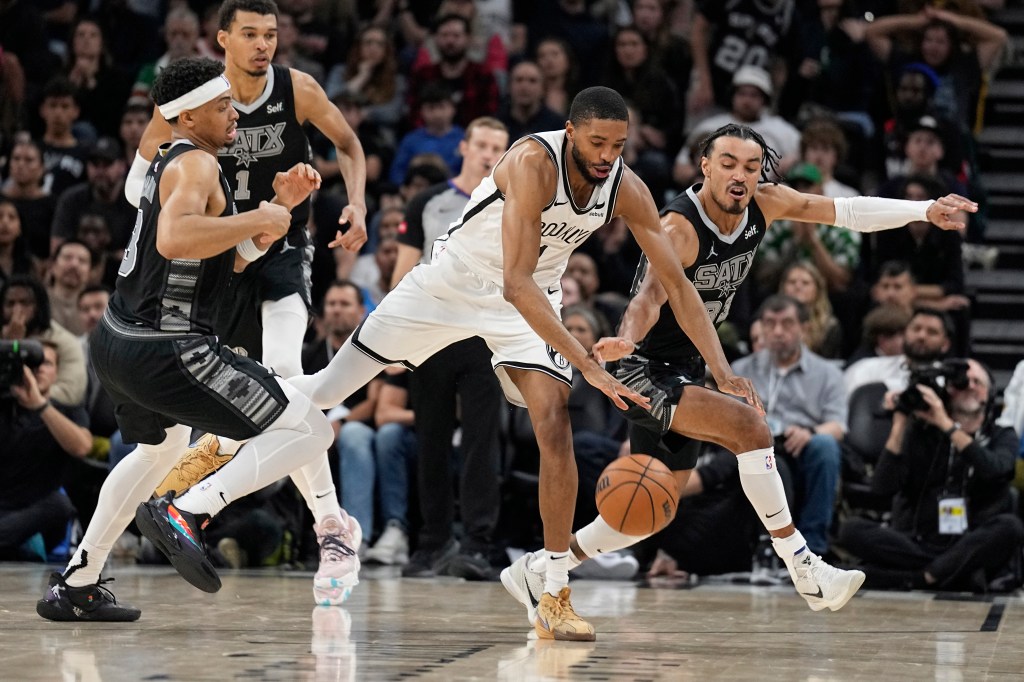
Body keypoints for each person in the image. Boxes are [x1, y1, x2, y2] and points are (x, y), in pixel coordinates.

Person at [290, 87, 755, 641]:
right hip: (453, 283)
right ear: (570, 131)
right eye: (598, 142)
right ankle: (231, 434)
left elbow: (678, 286)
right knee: (324, 393)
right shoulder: (534, 160)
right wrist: (589, 363)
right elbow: (514, 281)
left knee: (554, 420)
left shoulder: (627, 188)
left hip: (532, 299)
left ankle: (552, 584)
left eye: (619, 144)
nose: (608, 154)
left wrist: (723, 371)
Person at [500, 122, 976, 629]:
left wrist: (923, 210)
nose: (740, 175)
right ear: (705, 166)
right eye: (727, 163)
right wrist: (629, 341)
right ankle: (804, 566)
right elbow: (648, 297)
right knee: (751, 428)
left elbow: (844, 212)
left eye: (750, 167)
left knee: (651, 510)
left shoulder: (764, 205)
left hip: (681, 368)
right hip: (640, 367)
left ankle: (540, 567)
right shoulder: (681, 228)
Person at [36, 56, 331, 622]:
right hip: (169, 347)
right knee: (313, 429)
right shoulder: (194, 164)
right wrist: (258, 216)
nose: (235, 115)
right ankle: (189, 511)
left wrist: (279, 214)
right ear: (189, 114)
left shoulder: (175, 163)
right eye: (223, 106)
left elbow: (229, 263)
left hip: (119, 340)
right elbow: (175, 238)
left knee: (161, 448)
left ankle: (79, 581)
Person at [130, 0, 369, 606]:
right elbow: (139, 186)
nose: (264, 45)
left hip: (281, 247)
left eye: (271, 34)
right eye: (251, 34)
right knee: (269, 407)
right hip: (221, 262)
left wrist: (358, 204)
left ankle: (328, 530)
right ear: (222, 40)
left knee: (287, 380)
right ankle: (330, 521)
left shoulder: (298, 88)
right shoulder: (190, 104)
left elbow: (349, 143)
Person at [838, 359, 1024, 592]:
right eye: (961, 383)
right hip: (917, 542)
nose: (969, 386)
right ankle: (946, 574)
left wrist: (947, 425)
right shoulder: (923, 433)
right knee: (851, 530)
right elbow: (882, 488)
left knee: (1010, 527)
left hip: (971, 541)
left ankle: (912, 578)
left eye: (977, 382)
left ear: (989, 394)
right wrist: (900, 424)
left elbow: (997, 469)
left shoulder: (1001, 435)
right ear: (947, 392)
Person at [732, 295, 847, 555]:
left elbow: (838, 425)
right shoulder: (740, 370)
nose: (777, 332)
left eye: (787, 324)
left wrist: (811, 433)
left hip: (802, 445)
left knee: (825, 445)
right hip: (758, 447)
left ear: (804, 328)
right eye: (770, 324)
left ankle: (814, 547)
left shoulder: (828, 373)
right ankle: (765, 548)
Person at [0, 341, 92, 561]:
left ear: (56, 372)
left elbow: (82, 446)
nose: (39, 368)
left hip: (36, 510)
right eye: (32, 363)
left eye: (46, 363)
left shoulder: (68, 411)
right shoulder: (4, 407)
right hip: (3, 507)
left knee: (60, 506)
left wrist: (40, 405)